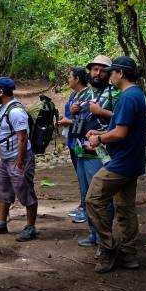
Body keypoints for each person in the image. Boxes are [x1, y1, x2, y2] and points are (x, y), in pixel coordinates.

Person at [86, 56, 146, 273]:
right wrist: (102, 132)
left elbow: (121, 133)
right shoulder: (136, 94)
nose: (109, 75)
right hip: (133, 160)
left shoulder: (128, 98)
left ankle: (108, 247)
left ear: (120, 74)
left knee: (93, 199)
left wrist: (99, 139)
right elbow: (124, 129)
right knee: (125, 207)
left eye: (112, 72)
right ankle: (129, 254)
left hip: (122, 163)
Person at [70, 55, 119, 247]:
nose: (97, 73)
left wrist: (102, 112)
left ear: (109, 73)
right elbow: (78, 119)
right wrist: (74, 112)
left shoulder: (115, 94)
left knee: (101, 196)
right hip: (81, 150)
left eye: (102, 70)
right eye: (94, 69)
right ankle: (93, 234)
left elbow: (123, 119)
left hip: (102, 151)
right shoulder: (83, 94)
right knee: (86, 195)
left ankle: (104, 238)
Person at [0, 77, 38, 242]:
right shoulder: (2, 108)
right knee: (4, 190)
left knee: (25, 191)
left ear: (1, 91)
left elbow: (22, 137)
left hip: (18, 157)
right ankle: (1, 222)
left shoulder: (16, 111)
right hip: (6, 158)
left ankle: (30, 226)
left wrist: (20, 161)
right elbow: (2, 133)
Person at [57, 68, 90, 217]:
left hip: (82, 140)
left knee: (85, 174)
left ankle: (87, 207)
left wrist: (68, 121)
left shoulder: (88, 96)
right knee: (79, 173)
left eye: (70, 77)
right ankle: (83, 203)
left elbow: (87, 120)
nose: (68, 79)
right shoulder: (73, 95)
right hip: (73, 140)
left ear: (77, 79)